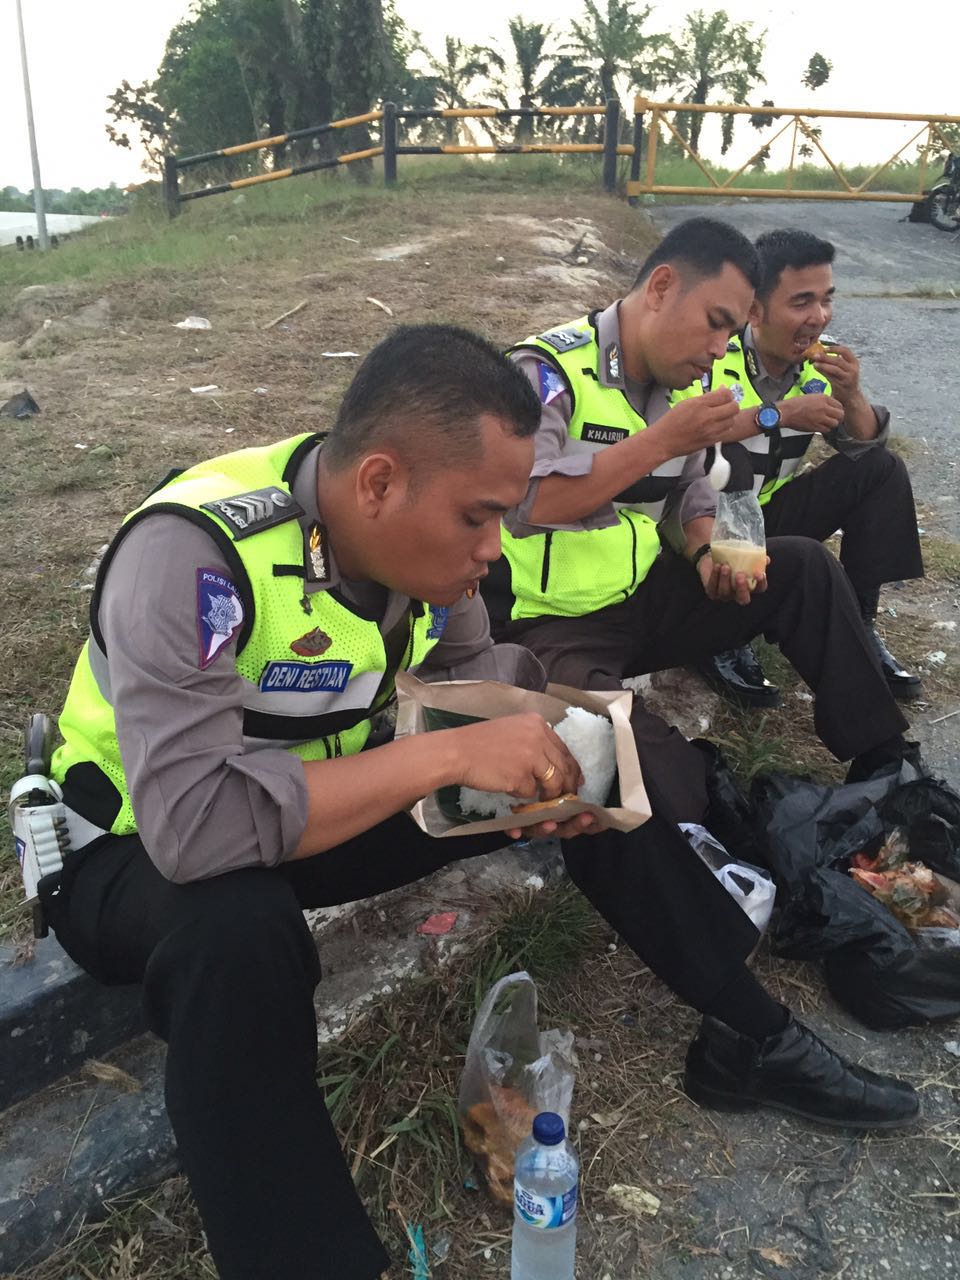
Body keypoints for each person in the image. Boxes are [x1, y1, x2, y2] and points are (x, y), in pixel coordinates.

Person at [40, 323, 914, 1280]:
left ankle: (753, 1034)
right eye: (480, 517)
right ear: (378, 483)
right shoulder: (195, 556)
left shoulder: (423, 551)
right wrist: (447, 756)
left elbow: (474, 682)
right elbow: (194, 829)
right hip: (134, 852)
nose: (496, 550)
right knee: (238, 933)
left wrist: (558, 760)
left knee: (574, 764)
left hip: (309, 810)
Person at [672, 227, 924, 707]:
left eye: (827, 300)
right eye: (802, 302)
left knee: (880, 467)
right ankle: (724, 636)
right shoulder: (710, 356)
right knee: (735, 460)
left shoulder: (817, 367)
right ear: (754, 309)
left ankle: (862, 623)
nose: (819, 317)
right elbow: (683, 437)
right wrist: (779, 415)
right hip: (700, 525)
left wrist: (850, 394)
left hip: (769, 516)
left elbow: (864, 443)